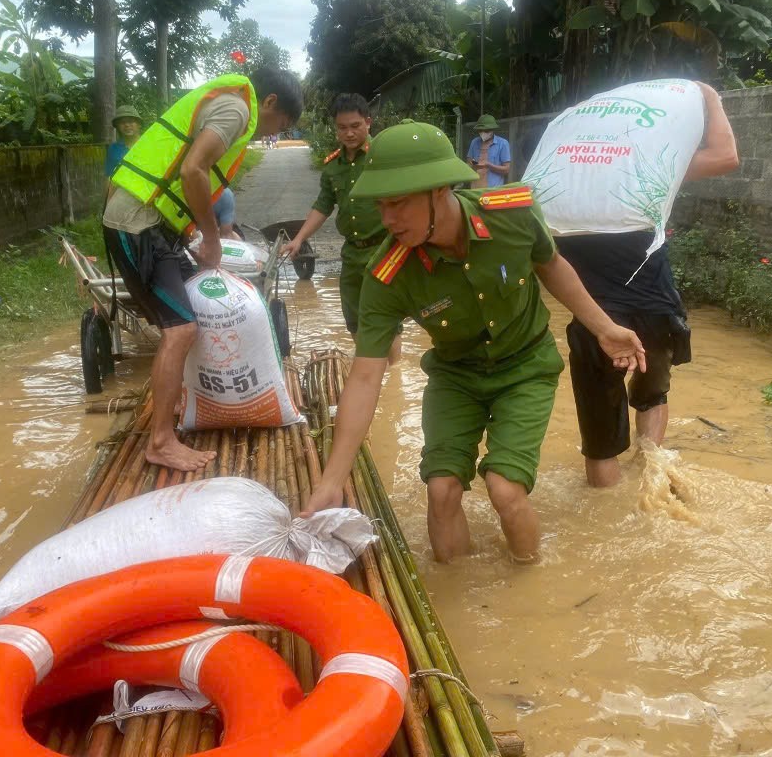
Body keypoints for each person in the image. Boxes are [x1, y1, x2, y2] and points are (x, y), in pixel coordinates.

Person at [300, 120, 646, 564]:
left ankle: (529, 586)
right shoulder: (387, 275)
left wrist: (604, 328)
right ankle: (462, 594)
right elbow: (366, 377)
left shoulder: (512, 212)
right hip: (455, 376)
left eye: (398, 203)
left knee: (504, 489)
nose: (386, 219)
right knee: (441, 491)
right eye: (380, 205)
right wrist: (332, 480)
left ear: (439, 191)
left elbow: (551, 265)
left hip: (526, 368)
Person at [103, 67, 303, 471]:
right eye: (277, 125)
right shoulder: (237, 110)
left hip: (155, 224)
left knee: (195, 304)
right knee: (180, 328)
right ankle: (160, 441)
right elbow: (193, 170)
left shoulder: (231, 106)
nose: (269, 134)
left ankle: (181, 398)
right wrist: (211, 239)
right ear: (269, 103)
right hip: (137, 223)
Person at [554, 81, 739, 488]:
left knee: (600, 445)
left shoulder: (559, 179)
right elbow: (726, 156)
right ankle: (649, 482)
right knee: (652, 395)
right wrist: (711, 98)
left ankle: (606, 520)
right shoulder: (647, 165)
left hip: (594, 321)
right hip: (654, 308)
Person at [281, 93, 401, 362]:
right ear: (335, 128)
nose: (349, 133)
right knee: (354, 321)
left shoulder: (382, 158)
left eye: (355, 126)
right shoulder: (333, 167)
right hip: (351, 255)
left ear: (368, 123)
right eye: (342, 127)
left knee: (387, 319)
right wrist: (298, 239)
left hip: (384, 251)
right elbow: (323, 206)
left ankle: (395, 376)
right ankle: (373, 377)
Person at [466, 114, 511, 188]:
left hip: (493, 190)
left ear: (492, 129)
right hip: (475, 189)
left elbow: (506, 169)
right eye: (480, 130)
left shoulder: (503, 143)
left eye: (486, 130)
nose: (483, 132)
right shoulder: (474, 142)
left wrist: (488, 165)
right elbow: (469, 162)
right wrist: (473, 164)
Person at [104, 105, 142, 183]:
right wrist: (108, 195)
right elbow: (109, 178)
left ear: (139, 124)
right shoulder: (113, 149)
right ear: (117, 126)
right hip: (121, 192)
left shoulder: (148, 144)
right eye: (122, 122)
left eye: (131, 121)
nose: (127, 125)